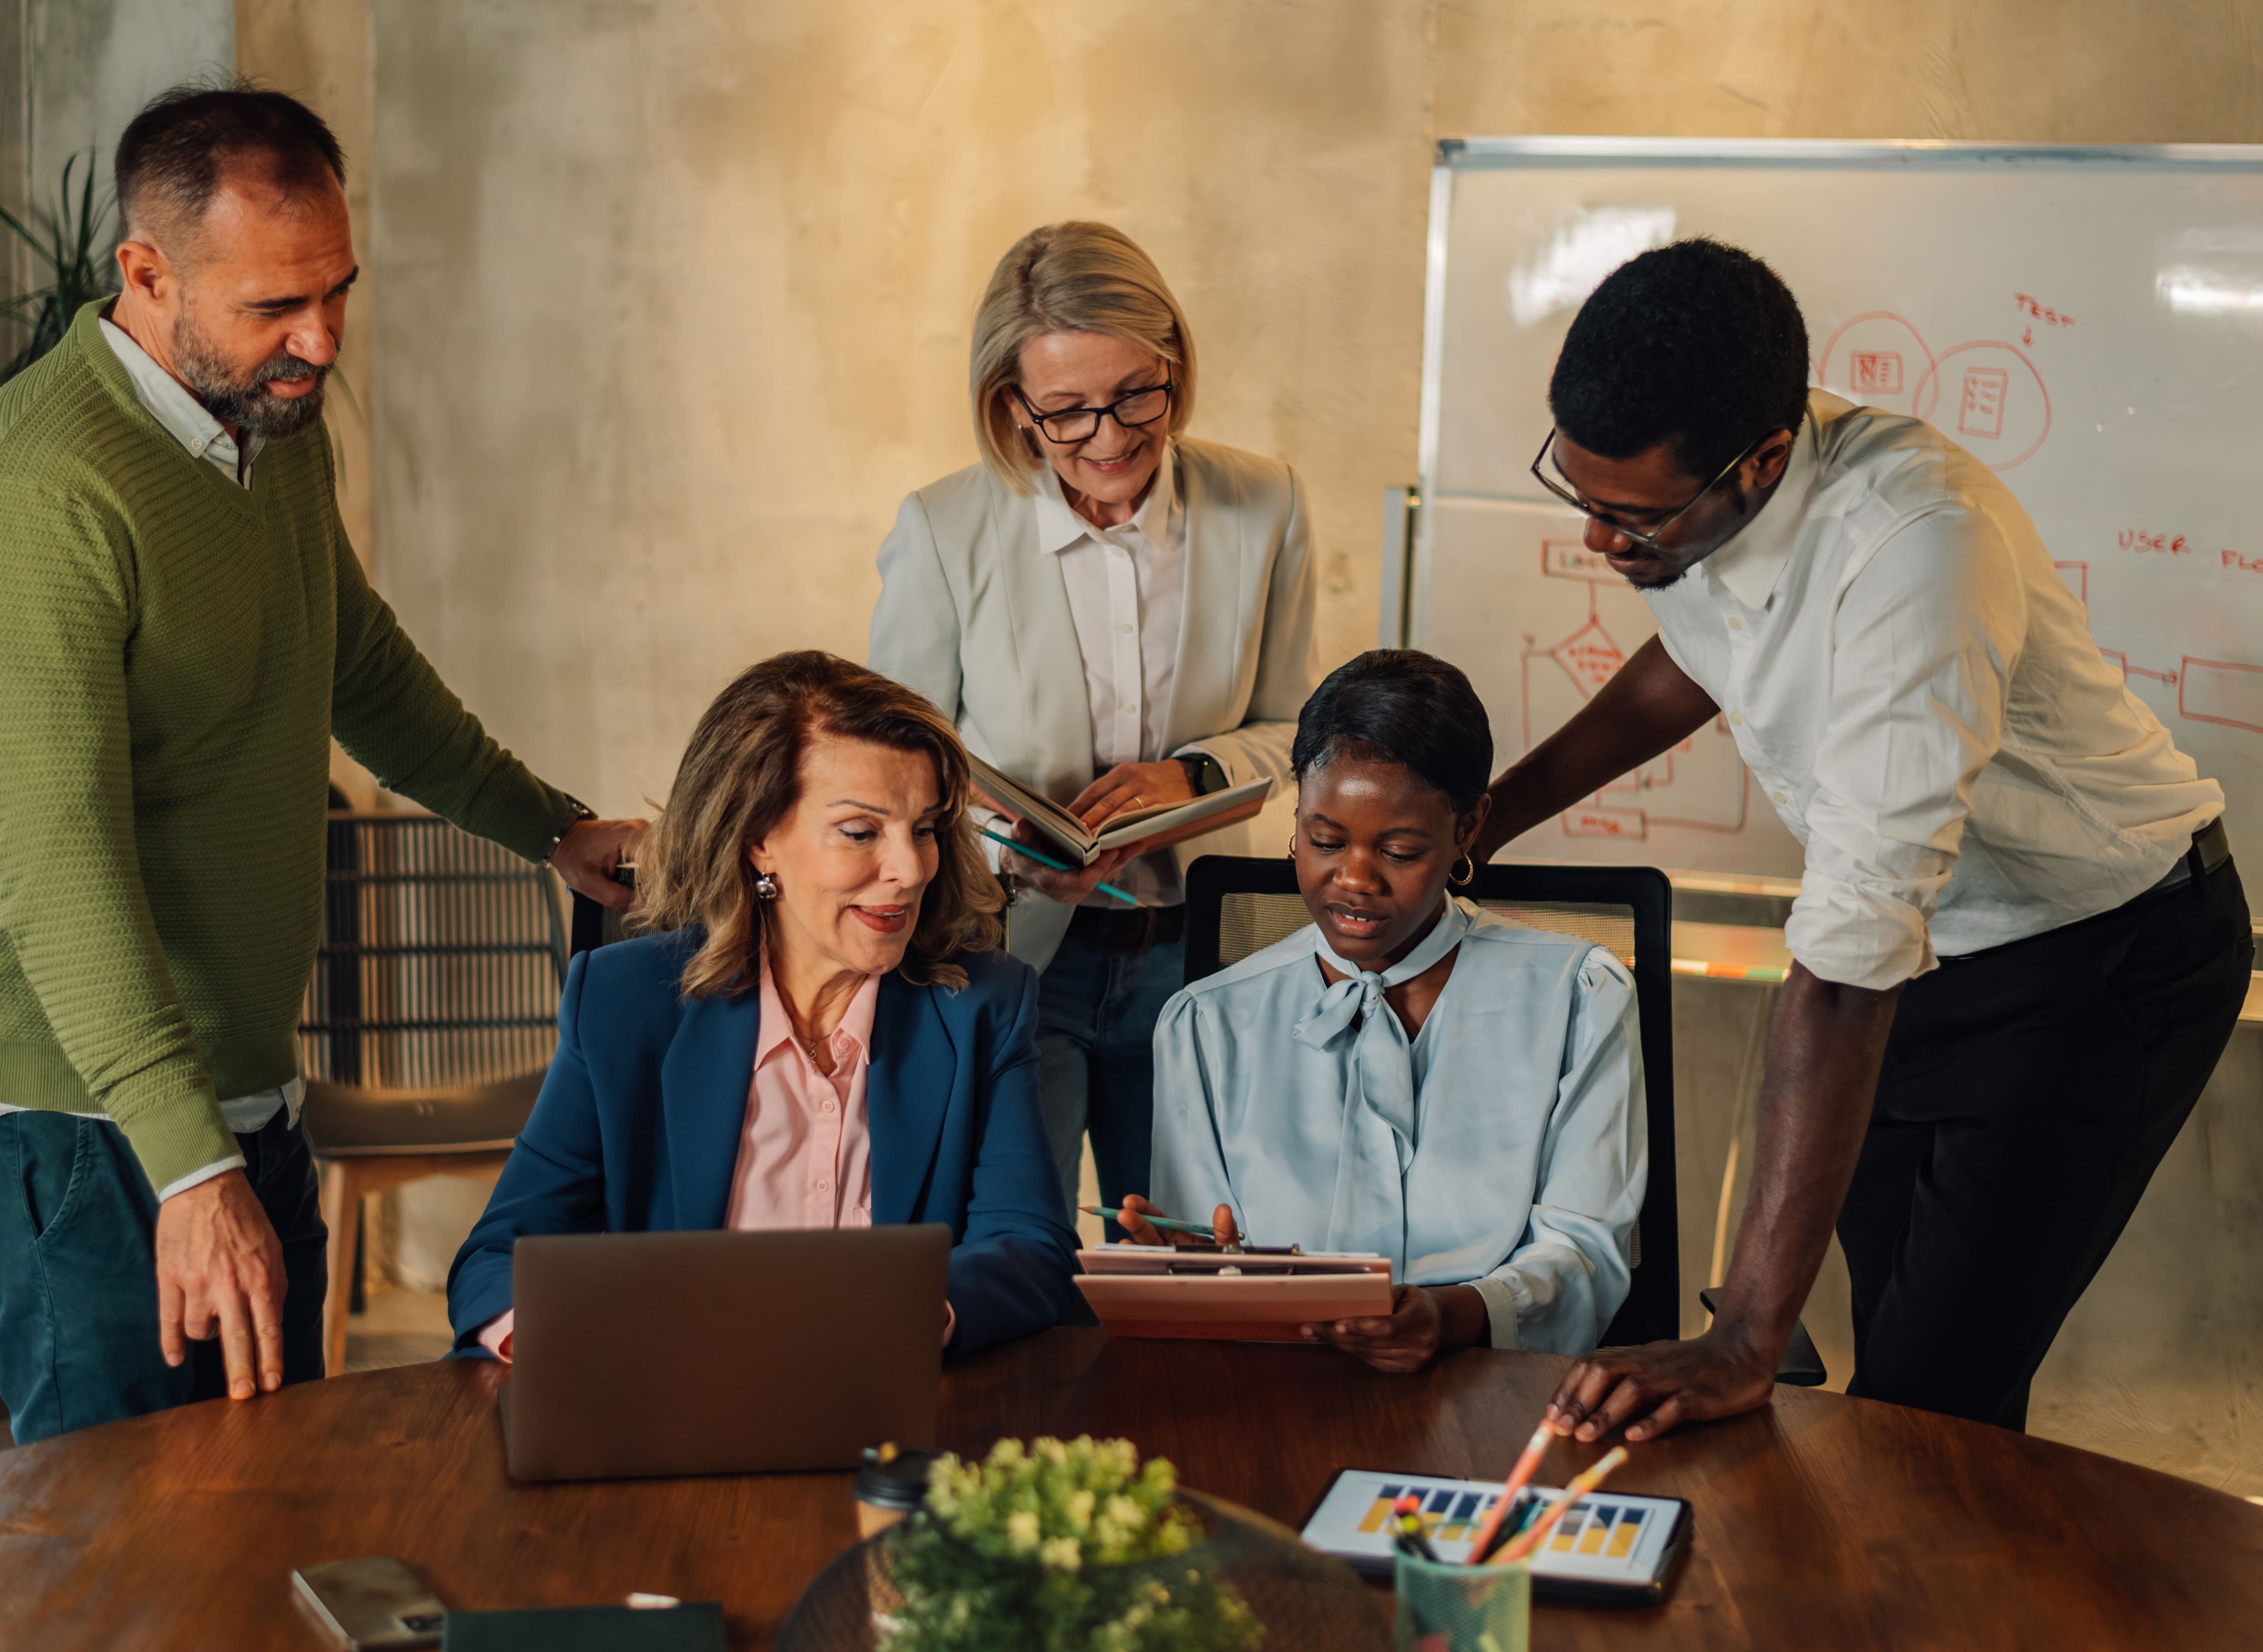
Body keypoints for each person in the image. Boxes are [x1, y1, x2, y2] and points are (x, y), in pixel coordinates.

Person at [0, 83, 642, 1445]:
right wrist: (189, 1168)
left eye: (337, 290)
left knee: (264, 1493)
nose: (319, 338)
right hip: (74, 1113)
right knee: (117, 1542)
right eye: (271, 306)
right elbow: (55, 871)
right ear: (145, 274)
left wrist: (552, 830)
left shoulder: (263, 420)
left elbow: (353, 666)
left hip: (234, 1077)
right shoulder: (35, 495)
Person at [1475, 239, 2249, 1440]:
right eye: (1580, 500)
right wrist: (1488, 817)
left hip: (2100, 961)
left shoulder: (1913, 550)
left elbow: (1840, 974)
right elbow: (1686, 662)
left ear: (1763, 463)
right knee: (1903, 1349)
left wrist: (1739, 1341)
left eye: (1630, 520)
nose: (1597, 545)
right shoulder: (1712, 472)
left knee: (1925, 1404)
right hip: (1932, 951)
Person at [869, 221, 1318, 1227]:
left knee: (1185, 1244)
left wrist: (1196, 775)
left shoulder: (1264, 503)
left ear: (1173, 366)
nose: (1109, 438)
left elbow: (1297, 723)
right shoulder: (944, 527)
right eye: (1067, 412)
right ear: (1012, 406)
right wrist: (1013, 845)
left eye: (1135, 396)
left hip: (1195, 950)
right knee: (1020, 1250)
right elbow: (890, 763)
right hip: (1015, 947)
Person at [448, 652, 1082, 1358]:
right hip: (674, 1420)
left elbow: (1029, 1249)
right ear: (759, 841)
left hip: (899, 1424)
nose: (909, 870)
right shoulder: (622, 1004)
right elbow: (496, 1258)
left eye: (925, 828)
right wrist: (566, 1347)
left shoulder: (984, 1005)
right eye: (861, 831)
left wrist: (907, 1316)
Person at [1119, 651, 1644, 1370]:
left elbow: (1584, 1253)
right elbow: (1208, 1256)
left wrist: (1453, 1314)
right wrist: (1191, 1274)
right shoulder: (1206, 1026)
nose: (1354, 880)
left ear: (1468, 829)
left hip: (1491, 1384)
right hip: (1282, 1387)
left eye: (1398, 849)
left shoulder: (1576, 997)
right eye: (1323, 841)